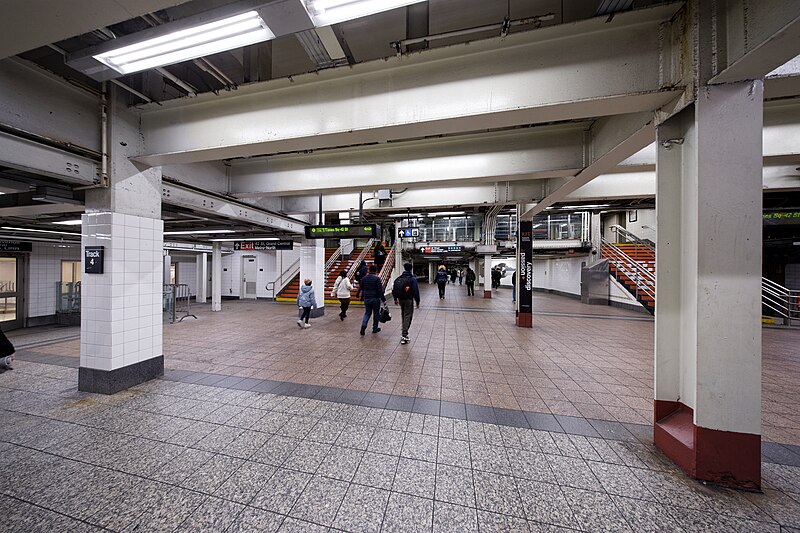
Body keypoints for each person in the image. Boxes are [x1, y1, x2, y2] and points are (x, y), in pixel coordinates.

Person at [393, 263, 420, 344]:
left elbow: (394, 289)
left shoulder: (398, 278)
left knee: (403, 314)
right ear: (411, 269)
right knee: (408, 315)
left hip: (400, 299)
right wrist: (417, 301)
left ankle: (404, 331)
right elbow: (415, 291)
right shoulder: (412, 279)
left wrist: (395, 299)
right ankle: (404, 334)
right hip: (408, 299)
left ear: (404, 268)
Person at [356, 264, 386, 335]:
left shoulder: (364, 278)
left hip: (367, 298)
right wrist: (383, 299)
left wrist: (357, 294)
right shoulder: (377, 278)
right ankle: (375, 328)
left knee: (367, 313)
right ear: (375, 271)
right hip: (375, 298)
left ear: (369, 270)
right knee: (376, 313)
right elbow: (380, 290)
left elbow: (361, 288)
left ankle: (364, 325)